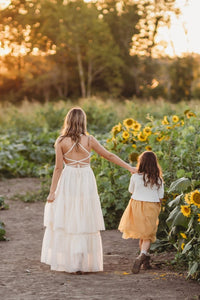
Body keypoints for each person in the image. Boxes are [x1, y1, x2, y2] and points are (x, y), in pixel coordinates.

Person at [41, 107, 135, 274]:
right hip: (85, 178)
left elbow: (58, 168)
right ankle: (82, 262)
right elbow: (109, 156)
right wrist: (129, 168)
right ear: (83, 121)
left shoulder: (61, 141)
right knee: (84, 216)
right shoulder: (90, 140)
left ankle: (71, 262)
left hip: (69, 178)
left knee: (70, 216)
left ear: (68, 121)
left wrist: (52, 192)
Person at [118, 151, 164, 274]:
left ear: (141, 163)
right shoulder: (158, 179)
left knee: (142, 234)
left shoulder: (135, 177)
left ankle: (145, 262)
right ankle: (142, 255)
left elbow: (131, 190)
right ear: (155, 164)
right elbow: (161, 196)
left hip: (136, 205)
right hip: (152, 206)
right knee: (148, 235)